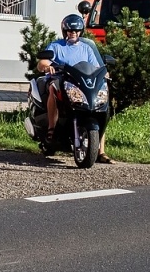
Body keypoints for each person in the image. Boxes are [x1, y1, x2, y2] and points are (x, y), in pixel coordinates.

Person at [36, 13, 112, 163]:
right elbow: (42, 63)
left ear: (80, 31)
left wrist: (105, 74)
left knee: (100, 108)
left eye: (76, 31)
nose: (73, 33)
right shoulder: (56, 46)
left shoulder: (87, 48)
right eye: (70, 30)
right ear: (65, 31)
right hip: (62, 80)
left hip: (82, 84)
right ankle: (51, 128)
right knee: (53, 88)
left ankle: (101, 151)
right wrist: (47, 67)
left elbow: (97, 67)